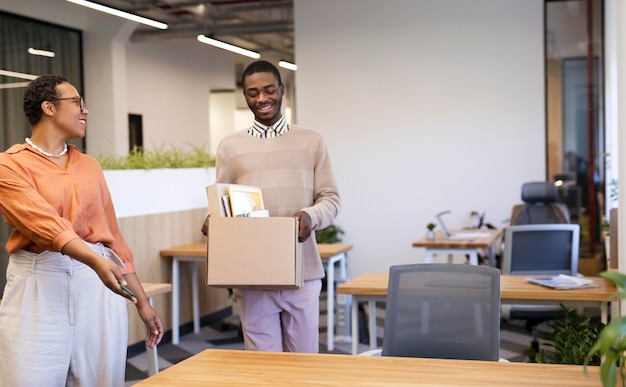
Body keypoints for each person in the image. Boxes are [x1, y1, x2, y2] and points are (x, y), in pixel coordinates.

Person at [0, 74, 164, 386]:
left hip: (98, 287)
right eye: (77, 102)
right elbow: (45, 224)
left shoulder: (89, 165)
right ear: (49, 107)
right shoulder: (9, 165)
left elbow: (113, 237)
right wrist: (94, 260)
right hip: (39, 284)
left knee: (101, 379)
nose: (85, 111)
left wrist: (143, 301)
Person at [202, 60, 340, 353]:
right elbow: (224, 201)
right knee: (263, 370)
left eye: (268, 90)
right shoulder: (229, 147)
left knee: (304, 366)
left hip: (303, 271)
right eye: (252, 93)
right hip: (251, 275)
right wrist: (214, 220)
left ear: (282, 89)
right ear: (245, 95)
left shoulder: (312, 141)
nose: (261, 98)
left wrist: (310, 216)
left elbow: (331, 199)